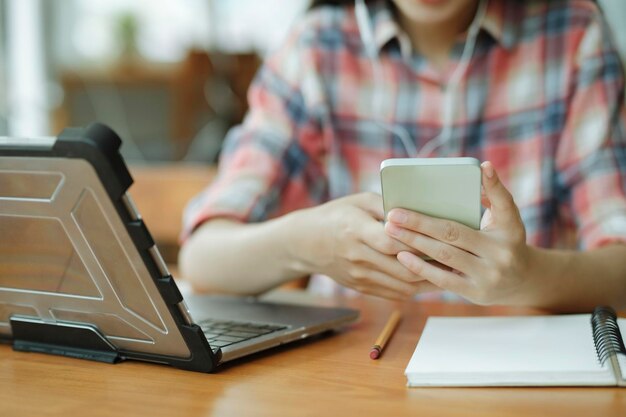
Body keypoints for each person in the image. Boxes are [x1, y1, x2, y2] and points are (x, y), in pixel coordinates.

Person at [179, 0, 626, 312]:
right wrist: (305, 244)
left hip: (518, 371)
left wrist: (526, 275)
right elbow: (203, 259)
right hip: (349, 373)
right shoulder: (316, 47)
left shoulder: (572, 35)